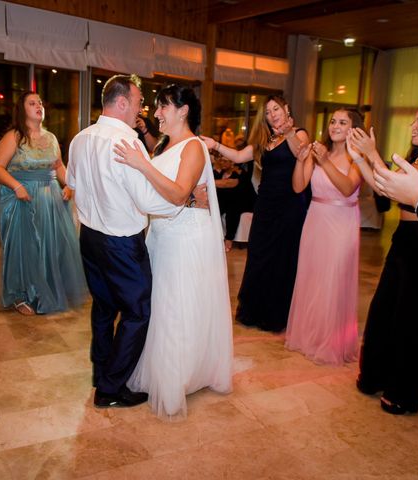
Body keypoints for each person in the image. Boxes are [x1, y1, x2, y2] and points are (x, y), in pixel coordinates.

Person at [67, 74, 187, 409]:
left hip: (89, 237)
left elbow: (73, 182)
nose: (141, 109)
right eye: (137, 102)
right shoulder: (128, 143)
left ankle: (102, 371)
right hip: (121, 243)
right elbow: (149, 201)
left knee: (104, 308)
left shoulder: (80, 138)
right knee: (138, 312)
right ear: (122, 103)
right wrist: (182, 199)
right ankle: (111, 387)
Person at [114, 84, 233, 418]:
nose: (156, 114)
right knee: (161, 304)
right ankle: (166, 366)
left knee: (178, 305)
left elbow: (179, 193)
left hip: (184, 240)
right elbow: (171, 193)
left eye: (162, 107)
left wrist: (142, 164)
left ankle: (179, 374)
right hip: (163, 235)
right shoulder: (167, 145)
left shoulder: (194, 147)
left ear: (183, 110)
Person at [348, 101, 418, 415]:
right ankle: (376, 376)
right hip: (403, 240)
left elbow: (401, 190)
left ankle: (404, 391)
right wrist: (360, 159)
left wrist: (372, 153)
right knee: (384, 308)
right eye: (414, 121)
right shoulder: (417, 157)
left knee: (413, 318)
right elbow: (385, 188)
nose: (413, 126)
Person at [201, 95, 309, 332]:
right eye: (268, 112)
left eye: (276, 109)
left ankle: (275, 316)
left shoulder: (299, 134)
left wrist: (289, 132)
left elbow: (300, 153)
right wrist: (215, 145)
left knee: (281, 259)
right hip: (265, 204)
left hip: (289, 206)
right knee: (259, 257)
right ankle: (254, 311)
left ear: (286, 108)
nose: (272, 115)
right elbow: (239, 156)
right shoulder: (266, 139)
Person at [0, 91, 87, 315]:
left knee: (50, 246)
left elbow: (58, 166)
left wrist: (70, 185)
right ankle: (21, 294)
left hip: (51, 199)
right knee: (25, 248)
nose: (38, 106)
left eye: (40, 102)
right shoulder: (14, 137)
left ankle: (48, 288)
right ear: (22, 110)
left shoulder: (51, 137)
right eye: (32, 103)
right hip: (21, 199)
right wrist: (17, 186)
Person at [285, 109, 363, 365]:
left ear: (353, 128)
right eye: (333, 121)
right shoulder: (317, 154)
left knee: (334, 279)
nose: (335, 126)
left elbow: (347, 187)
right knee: (313, 278)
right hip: (315, 220)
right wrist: (301, 159)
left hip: (342, 224)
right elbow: (298, 186)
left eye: (343, 122)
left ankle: (332, 342)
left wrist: (326, 160)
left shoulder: (357, 158)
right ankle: (310, 337)